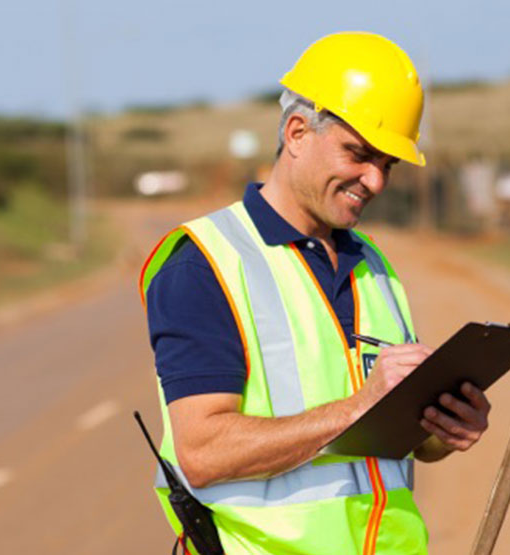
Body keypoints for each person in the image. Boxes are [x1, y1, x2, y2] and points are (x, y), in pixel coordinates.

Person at [140, 32, 492, 555]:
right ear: (298, 132)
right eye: (358, 154)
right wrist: (357, 409)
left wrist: (444, 429)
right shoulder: (204, 263)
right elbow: (203, 452)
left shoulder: (372, 265)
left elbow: (395, 446)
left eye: (387, 164)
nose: (374, 180)